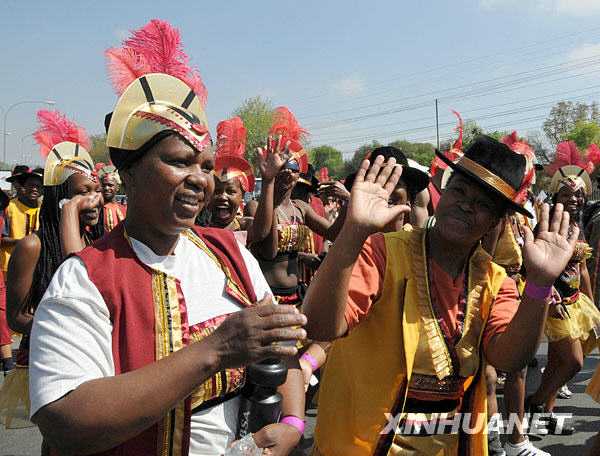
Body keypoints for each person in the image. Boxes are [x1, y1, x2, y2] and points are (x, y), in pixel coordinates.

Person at [28, 20, 306, 455]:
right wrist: (215, 349)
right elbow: (65, 422)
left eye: (206, 166)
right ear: (128, 173)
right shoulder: (85, 280)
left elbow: (282, 349)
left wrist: (291, 421)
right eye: (179, 162)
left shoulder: (230, 253)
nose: (199, 180)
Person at [303, 135, 578, 455]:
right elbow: (320, 327)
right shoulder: (383, 253)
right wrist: (353, 230)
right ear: (443, 193)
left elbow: (509, 358)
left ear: (497, 221)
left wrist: (540, 284)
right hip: (358, 446)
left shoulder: (495, 280)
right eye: (459, 190)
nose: (466, 204)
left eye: (483, 203)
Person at [0, 110, 103, 430]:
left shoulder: (96, 240)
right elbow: (15, 316)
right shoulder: (33, 247)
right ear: (61, 199)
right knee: (60, 437)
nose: (94, 200)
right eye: (82, 193)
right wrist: (59, 329)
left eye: (95, 191)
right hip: (50, 358)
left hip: (92, 356)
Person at [527, 140, 600, 435]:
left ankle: (546, 412)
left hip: (575, 301)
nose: (574, 199)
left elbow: (581, 266)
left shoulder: (577, 225)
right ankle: (533, 405)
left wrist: (592, 304)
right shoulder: (547, 223)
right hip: (554, 300)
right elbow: (532, 264)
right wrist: (549, 294)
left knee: (559, 363)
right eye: (568, 194)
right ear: (557, 194)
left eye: (579, 194)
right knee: (572, 363)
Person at [0, 166, 42, 374]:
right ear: (21, 188)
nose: (35, 190)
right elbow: (2, 238)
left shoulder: (44, 209)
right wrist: (22, 243)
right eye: (31, 186)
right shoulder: (10, 208)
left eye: (38, 186)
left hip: (37, 269)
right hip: (9, 267)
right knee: (12, 312)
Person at [344, 146, 430, 231]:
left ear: (409, 197)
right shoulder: (357, 241)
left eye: (396, 183)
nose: (385, 191)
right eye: (378, 182)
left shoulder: (419, 242)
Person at [207, 116, 254, 240]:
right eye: (216, 191)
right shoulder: (196, 231)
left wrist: (269, 182)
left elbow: (263, 231)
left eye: (231, 191)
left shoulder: (248, 228)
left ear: (242, 196)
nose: (223, 196)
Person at [98, 165, 126, 231]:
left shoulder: (124, 209)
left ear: (117, 187)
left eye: (110, 185)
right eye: (104, 185)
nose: (106, 188)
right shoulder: (96, 210)